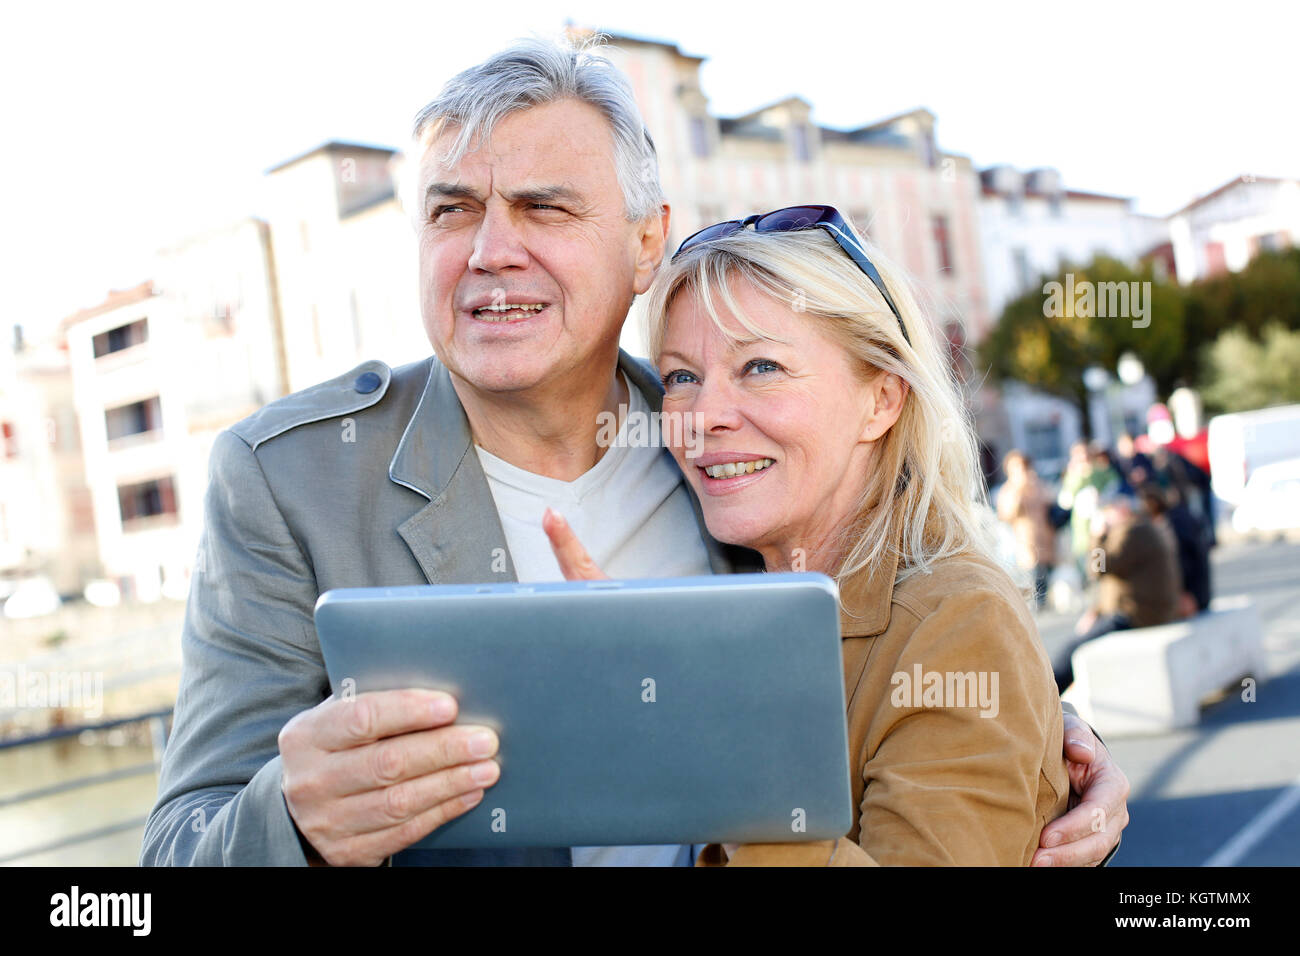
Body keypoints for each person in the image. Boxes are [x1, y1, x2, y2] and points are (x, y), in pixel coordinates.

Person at [141, 36, 1127, 867]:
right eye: (452, 209)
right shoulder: (288, 479)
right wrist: (297, 822)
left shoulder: (724, 454)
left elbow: (914, 661)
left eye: (544, 207)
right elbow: (176, 851)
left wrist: (1047, 740)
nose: (489, 251)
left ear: (647, 242)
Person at [543, 207, 1102, 864]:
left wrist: (700, 741)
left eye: (761, 367)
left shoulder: (957, 617)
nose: (705, 417)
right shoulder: (754, 587)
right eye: (682, 377)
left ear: (882, 400)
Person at [1057, 492, 1182, 690]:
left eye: (1108, 511)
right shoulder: (1139, 528)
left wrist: (1096, 536)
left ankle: (1050, 694)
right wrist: (1096, 611)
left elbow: (1097, 568)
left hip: (1136, 615)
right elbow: (1113, 582)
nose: (1105, 516)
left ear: (1121, 509)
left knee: (1072, 650)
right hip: (1139, 610)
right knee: (1076, 645)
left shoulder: (1132, 532)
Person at [1137, 482, 1211, 616]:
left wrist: (1097, 539)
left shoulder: (1165, 526)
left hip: (1142, 612)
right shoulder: (1175, 519)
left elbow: (1097, 570)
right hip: (1191, 595)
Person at [997, 450, 1057, 610]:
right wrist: (1019, 493)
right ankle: (1038, 607)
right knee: (1034, 576)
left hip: (1047, 537)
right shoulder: (1009, 490)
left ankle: (1046, 604)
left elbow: (1051, 503)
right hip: (1025, 541)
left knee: (1048, 575)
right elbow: (1005, 514)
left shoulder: (1038, 485)